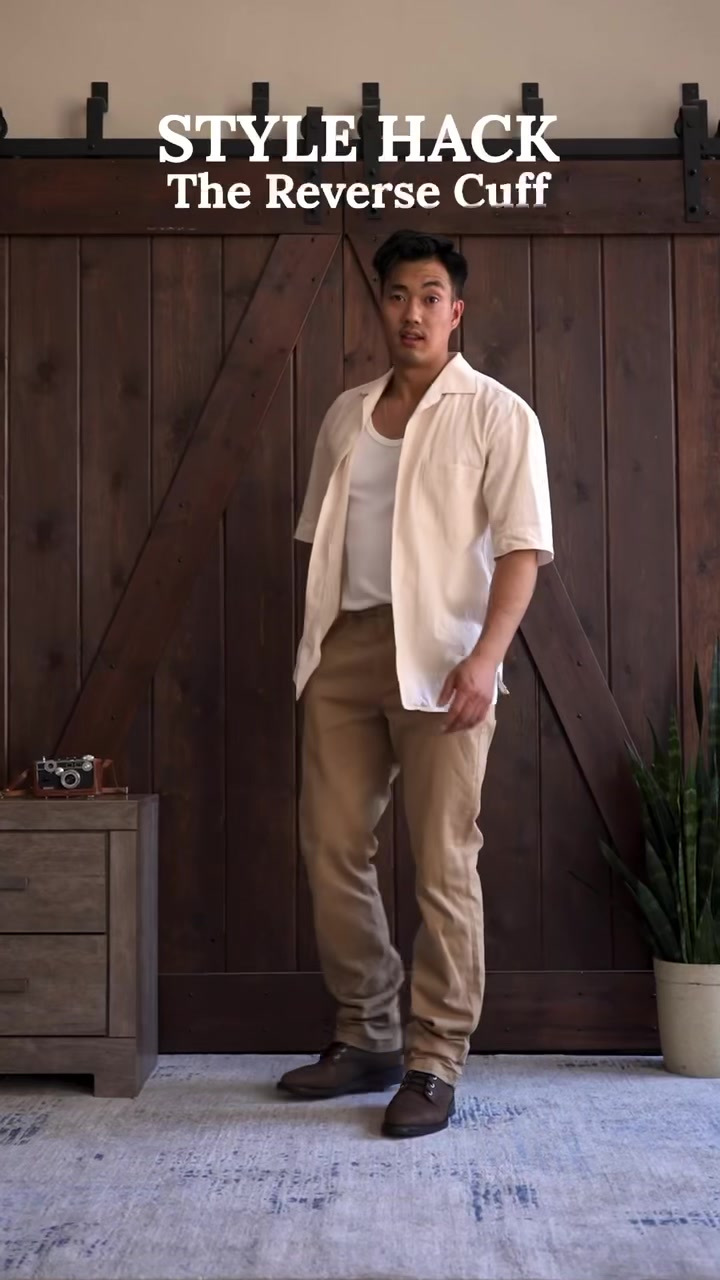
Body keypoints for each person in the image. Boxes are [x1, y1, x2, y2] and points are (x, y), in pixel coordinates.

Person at [277, 229, 554, 1139]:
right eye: (398, 295)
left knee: (443, 859)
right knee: (331, 846)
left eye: (431, 296)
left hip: (445, 658)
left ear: (456, 311)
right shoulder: (345, 416)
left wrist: (486, 658)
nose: (413, 312)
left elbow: (522, 550)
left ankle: (435, 1060)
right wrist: (320, 648)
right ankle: (367, 1035)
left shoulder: (498, 414)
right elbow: (324, 541)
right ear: (381, 306)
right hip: (346, 651)